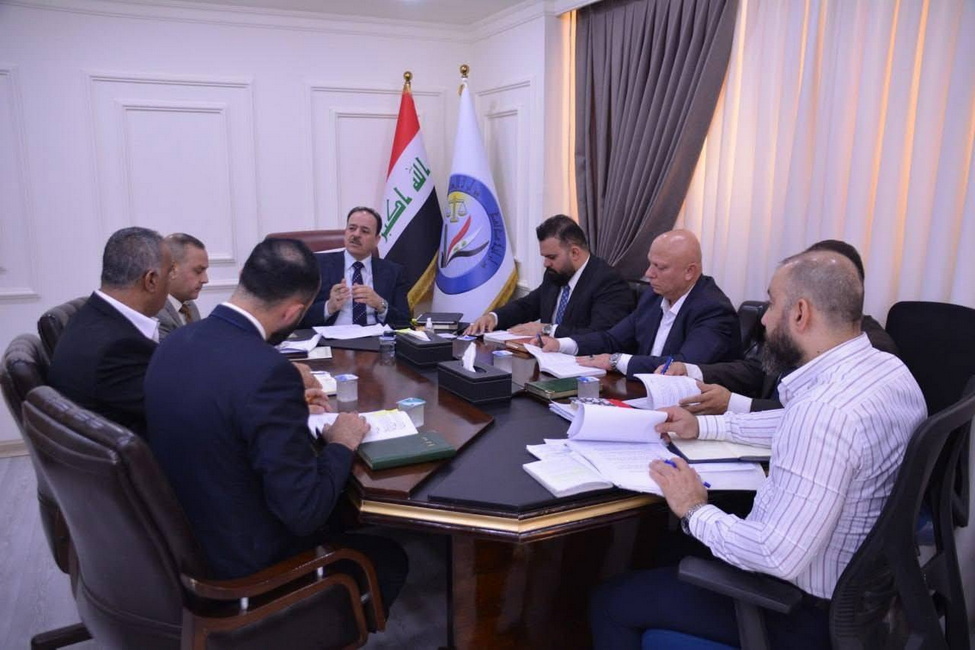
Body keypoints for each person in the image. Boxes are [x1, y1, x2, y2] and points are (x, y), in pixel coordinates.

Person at [589, 250, 926, 649]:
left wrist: (694, 508)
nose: (764, 319)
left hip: (796, 611)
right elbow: (791, 422)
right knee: (670, 548)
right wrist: (704, 425)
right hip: (866, 601)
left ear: (800, 313)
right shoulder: (887, 371)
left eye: (771, 303)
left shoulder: (825, 413)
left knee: (610, 601)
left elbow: (774, 554)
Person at [145, 238, 407, 610]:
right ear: (293, 313)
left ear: (243, 276)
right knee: (391, 556)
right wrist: (341, 442)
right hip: (245, 570)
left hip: (185, 539)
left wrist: (285, 410)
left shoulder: (175, 341)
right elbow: (305, 512)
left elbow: (223, 409)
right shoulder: (268, 371)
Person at [661, 239, 899, 415]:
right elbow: (757, 371)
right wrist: (692, 371)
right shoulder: (792, 325)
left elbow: (809, 413)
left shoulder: (870, 351)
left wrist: (734, 404)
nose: (765, 318)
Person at [542, 229, 740, 376]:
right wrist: (561, 344)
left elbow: (681, 366)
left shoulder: (714, 310)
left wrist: (615, 361)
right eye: (650, 263)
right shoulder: (653, 297)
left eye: (660, 267)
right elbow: (612, 339)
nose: (648, 273)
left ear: (690, 271)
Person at [49, 226, 172, 436]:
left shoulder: (91, 316)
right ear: (151, 280)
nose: (171, 282)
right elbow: (175, 410)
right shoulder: (118, 348)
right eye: (169, 273)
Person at [464, 215, 633, 337]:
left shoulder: (607, 281)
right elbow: (527, 306)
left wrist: (547, 329)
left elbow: (601, 335)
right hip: (545, 359)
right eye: (544, 257)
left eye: (551, 257)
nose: (546, 263)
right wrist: (493, 317)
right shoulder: (556, 274)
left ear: (575, 252)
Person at [300, 206, 410, 328]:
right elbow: (297, 316)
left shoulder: (394, 272)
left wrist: (380, 304)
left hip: (375, 337)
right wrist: (329, 307)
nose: (356, 234)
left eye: (365, 231)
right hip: (331, 337)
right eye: (352, 228)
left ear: (376, 240)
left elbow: (404, 321)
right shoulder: (317, 264)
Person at [156, 232, 209, 339]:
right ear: (172, 269)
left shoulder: (189, 306)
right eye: (198, 271)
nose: (205, 280)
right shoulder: (155, 312)